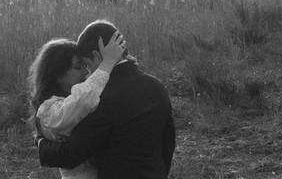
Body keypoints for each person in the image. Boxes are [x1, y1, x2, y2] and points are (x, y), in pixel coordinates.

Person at [36, 20, 176, 179]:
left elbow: (72, 154)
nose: (88, 74)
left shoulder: (101, 97)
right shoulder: (156, 87)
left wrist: (41, 144)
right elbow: (167, 144)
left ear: (96, 56)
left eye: (88, 65)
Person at [28, 31, 127, 179]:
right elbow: (82, 100)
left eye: (85, 65)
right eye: (78, 67)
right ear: (58, 74)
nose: (85, 72)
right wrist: (106, 65)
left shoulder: (73, 98)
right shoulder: (49, 110)